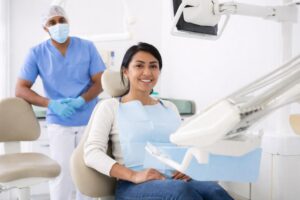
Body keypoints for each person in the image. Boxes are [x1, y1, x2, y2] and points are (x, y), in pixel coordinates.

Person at [84, 42, 233, 200]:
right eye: (139, 66)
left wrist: (188, 166)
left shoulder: (169, 107)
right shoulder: (110, 107)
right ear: (125, 71)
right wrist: (134, 175)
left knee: (215, 191)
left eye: (153, 66)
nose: (147, 72)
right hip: (134, 185)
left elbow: (184, 145)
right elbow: (92, 153)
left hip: (175, 179)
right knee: (182, 193)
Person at [15, 5, 106, 200]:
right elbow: (21, 89)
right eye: (52, 22)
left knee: (87, 173)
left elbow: (101, 82)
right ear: (45, 28)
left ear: (68, 22)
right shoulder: (37, 53)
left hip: (89, 120)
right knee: (62, 174)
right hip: (59, 121)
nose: (58, 25)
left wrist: (82, 99)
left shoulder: (87, 47)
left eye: (61, 20)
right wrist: (51, 104)